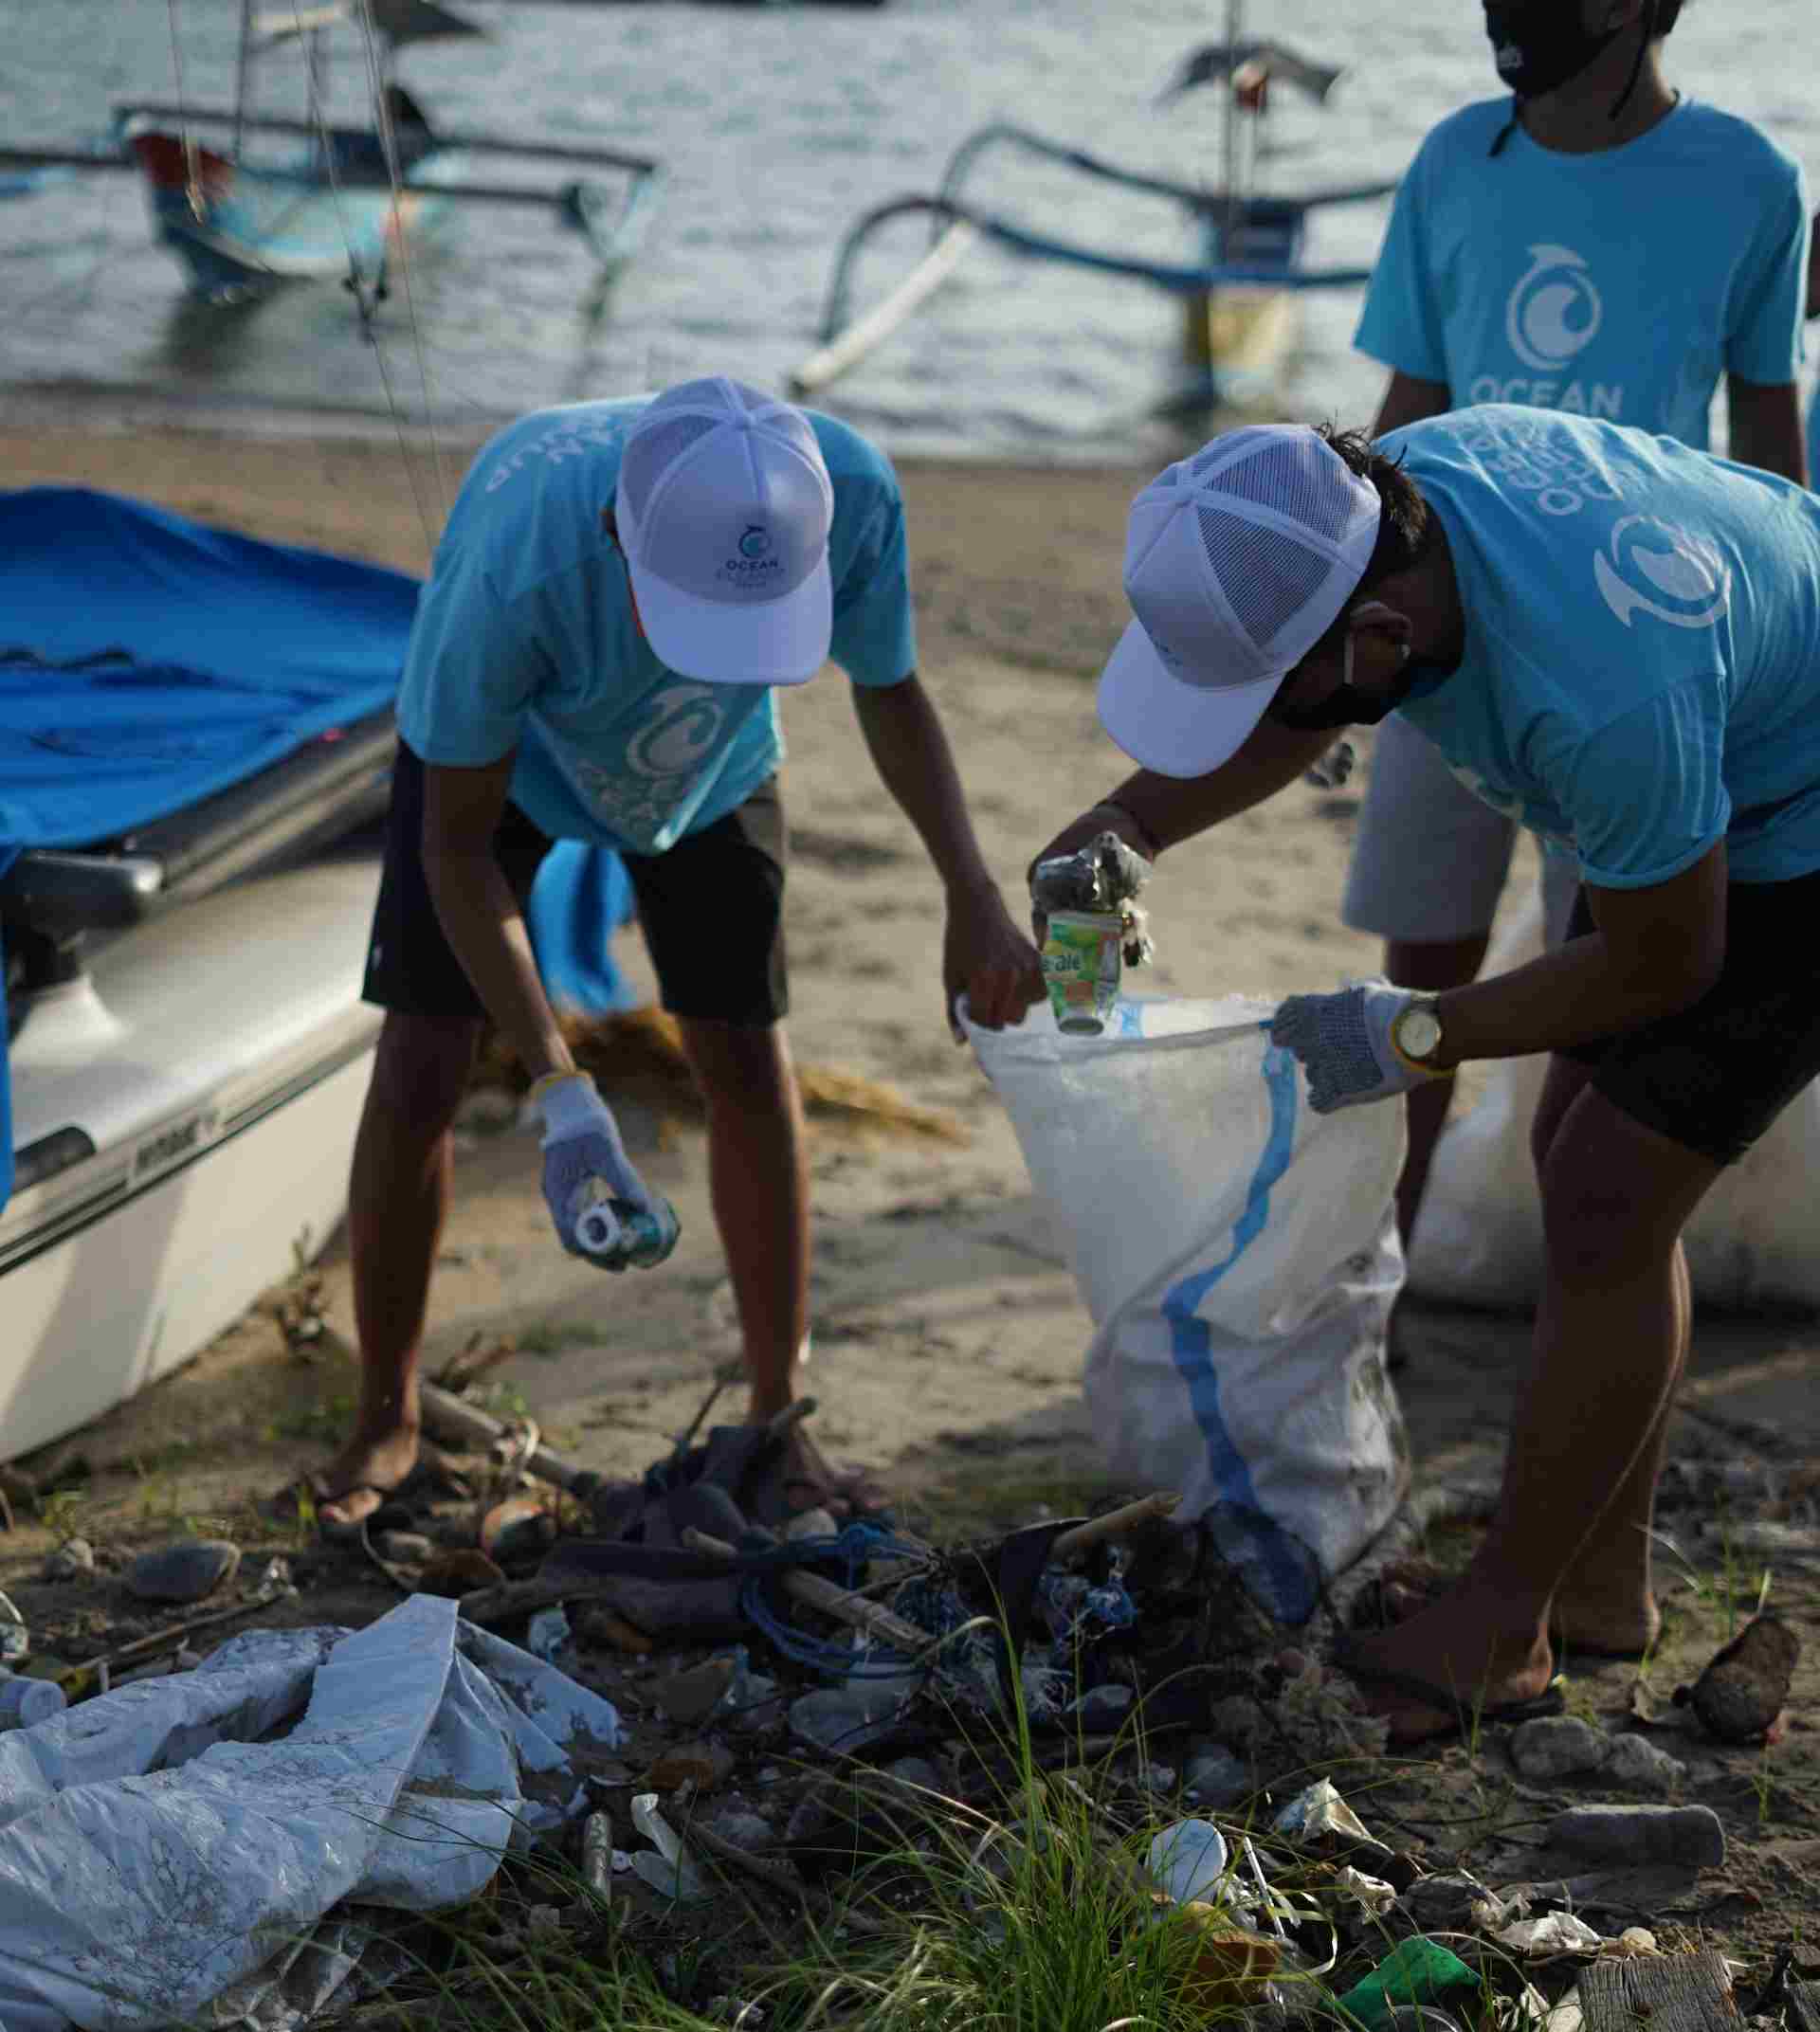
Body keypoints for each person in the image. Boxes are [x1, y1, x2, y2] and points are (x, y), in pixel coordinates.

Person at [1037, 408, 1820, 1737]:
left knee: (1607, 1199)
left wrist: (1413, 1031)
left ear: (1382, 640)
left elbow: (1667, 966)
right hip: (1720, 748)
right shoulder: (1376, 510)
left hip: (1795, 811)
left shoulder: (1600, 690)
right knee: (1587, 1162)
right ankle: (1595, 1590)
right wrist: (1125, 823)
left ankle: (1502, 1634)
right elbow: (1308, 695)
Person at [308, 376, 1045, 1534]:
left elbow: (891, 689)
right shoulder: (519, 561)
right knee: (421, 1064)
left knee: (749, 1062)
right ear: (617, 533)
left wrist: (972, 890)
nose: (717, 649)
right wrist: (560, 1087)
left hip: (711, 770)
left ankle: (779, 1411)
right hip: (512, 771)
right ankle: (384, 1413)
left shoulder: (842, 492)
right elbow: (458, 852)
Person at [1342, 0, 1808, 1260]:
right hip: (1433, 612)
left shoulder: (1749, 178)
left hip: (1627, 652)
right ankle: (1383, 1262)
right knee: (1425, 943)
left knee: (1597, 971)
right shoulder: (1452, 159)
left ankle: (1582, 1270)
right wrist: (1343, 617)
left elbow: (1768, 427)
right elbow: (1407, 402)